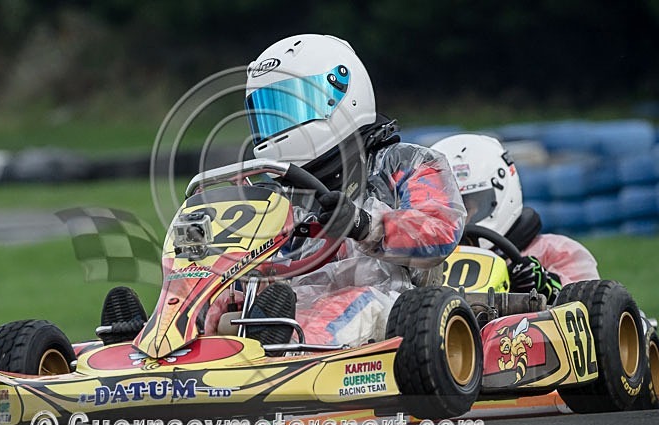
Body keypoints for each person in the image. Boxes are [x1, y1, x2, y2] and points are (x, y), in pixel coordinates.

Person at [101, 34, 466, 348]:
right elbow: (254, 264)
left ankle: (274, 350)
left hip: (388, 299)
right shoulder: (274, 192)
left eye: (289, 107)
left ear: (340, 93)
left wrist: (362, 224)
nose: (279, 123)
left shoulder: (407, 162)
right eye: (269, 113)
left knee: (333, 311)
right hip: (282, 304)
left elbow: (441, 229)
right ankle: (151, 342)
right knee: (219, 306)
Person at [430, 133, 600, 303]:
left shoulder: (556, 251)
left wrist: (545, 286)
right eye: (443, 210)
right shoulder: (422, 265)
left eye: (465, 207)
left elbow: (590, 308)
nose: (454, 219)